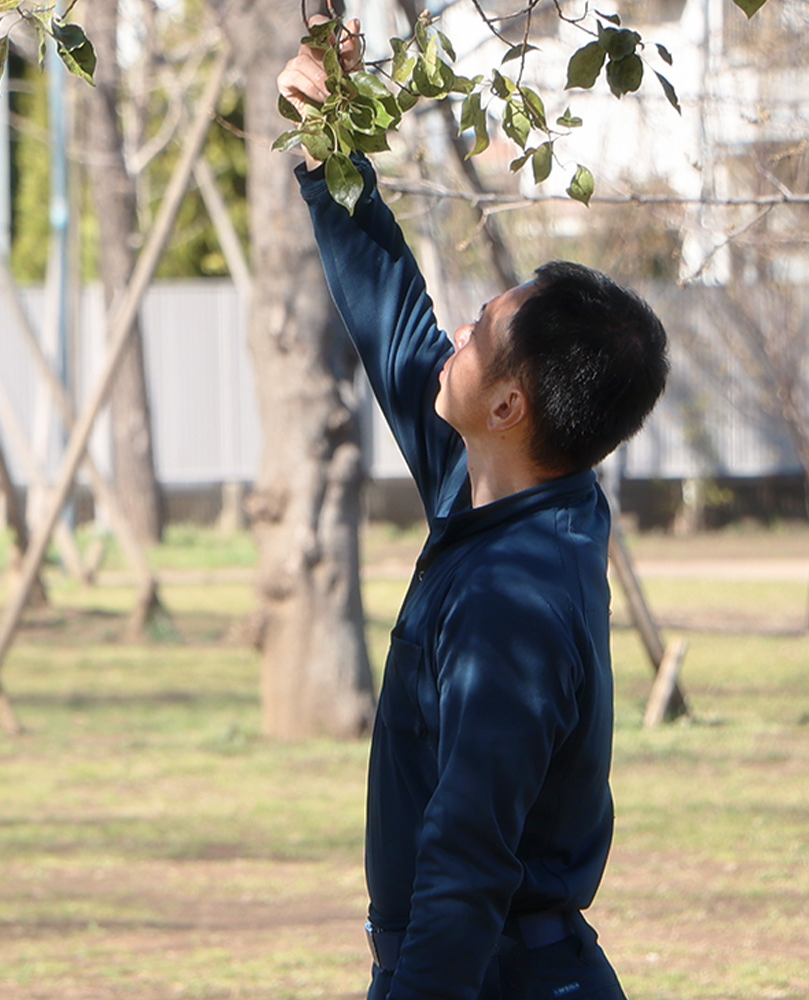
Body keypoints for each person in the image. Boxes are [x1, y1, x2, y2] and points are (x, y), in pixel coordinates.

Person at [278, 17, 670, 1000]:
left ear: (508, 407)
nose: (454, 330)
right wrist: (330, 139)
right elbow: (392, 318)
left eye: (481, 330)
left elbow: (467, 861)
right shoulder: (514, 482)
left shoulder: (512, 601)